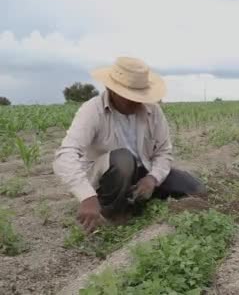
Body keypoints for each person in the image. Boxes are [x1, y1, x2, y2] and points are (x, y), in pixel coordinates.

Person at [53, 57, 204, 233]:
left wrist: (152, 178)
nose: (136, 101)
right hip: (109, 177)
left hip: (142, 173)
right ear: (111, 89)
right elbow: (66, 154)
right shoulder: (92, 110)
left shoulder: (152, 111)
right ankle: (112, 213)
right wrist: (86, 196)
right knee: (123, 159)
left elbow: (164, 152)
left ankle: (138, 200)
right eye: (129, 96)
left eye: (139, 96)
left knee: (196, 189)